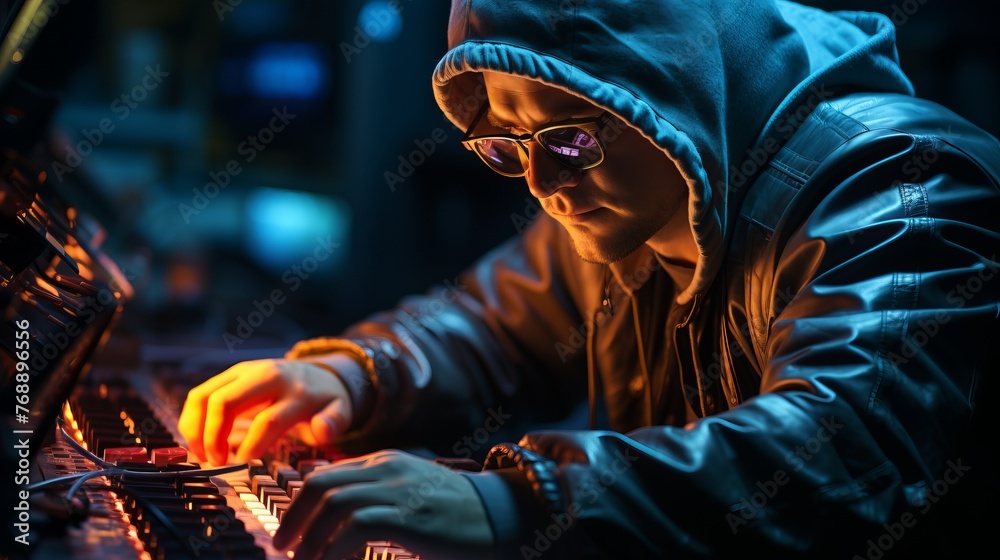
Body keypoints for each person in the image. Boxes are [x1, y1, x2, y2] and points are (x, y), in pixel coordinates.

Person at [178, 0, 1000, 558]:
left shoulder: (904, 186)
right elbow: (493, 322)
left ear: (667, 89)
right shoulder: (630, 196)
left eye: (566, 138)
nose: (541, 181)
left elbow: (841, 453)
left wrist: (521, 501)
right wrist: (353, 374)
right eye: (510, 143)